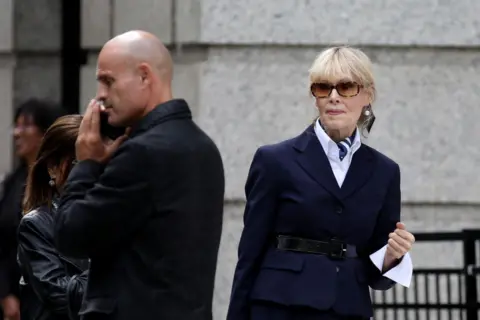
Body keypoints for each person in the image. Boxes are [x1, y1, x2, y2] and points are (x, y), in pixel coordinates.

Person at [227, 46, 416, 320]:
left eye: (347, 87)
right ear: (314, 96)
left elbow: (375, 274)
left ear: (367, 96)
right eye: (323, 88)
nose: (334, 97)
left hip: (348, 308)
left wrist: (392, 257)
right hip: (280, 307)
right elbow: (250, 253)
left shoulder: (385, 172)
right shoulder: (274, 160)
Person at [53, 30, 225, 320]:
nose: (100, 96)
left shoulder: (144, 153)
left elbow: (71, 234)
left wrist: (86, 164)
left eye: (108, 81)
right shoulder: (202, 146)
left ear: (145, 77)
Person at [17, 114, 89, 320]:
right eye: (79, 163)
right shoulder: (36, 225)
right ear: (52, 168)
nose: (91, 171)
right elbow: (59, 295)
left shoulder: (109, 217)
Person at [0, 99, 66, 320]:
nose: (17, 133)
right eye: (16, 125)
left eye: (25, 125)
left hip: (50, 295)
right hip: (14, 296)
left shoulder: (60, 182)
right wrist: (6, 293)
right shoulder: (12, 183)